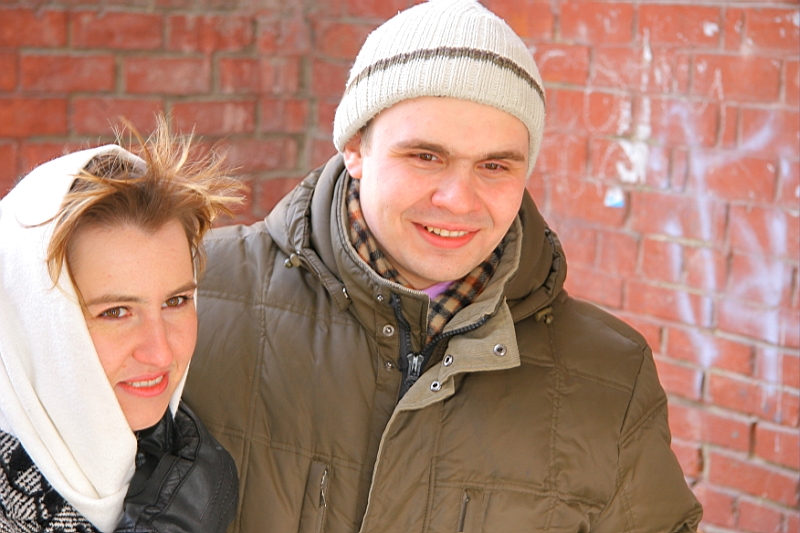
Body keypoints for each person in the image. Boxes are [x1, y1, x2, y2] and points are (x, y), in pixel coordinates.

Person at [184, 0, 703, 531]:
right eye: (425, 156)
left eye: (494, 165)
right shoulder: (194, 294)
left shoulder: (610, 375)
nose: (458, 199)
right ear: (356, 147)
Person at [0, 118, 241, 533]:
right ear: (32, 327)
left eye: (176, 301)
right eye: (115, 312)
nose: (161, 353)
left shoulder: (185, 467)